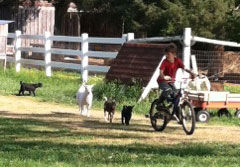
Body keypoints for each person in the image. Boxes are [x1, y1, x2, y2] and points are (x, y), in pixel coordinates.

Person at [156, 43, 196, 113]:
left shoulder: (177, 61)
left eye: (168, 54)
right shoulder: (164, 62)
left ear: (174, 54)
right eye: (166, 54)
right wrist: (164, 77)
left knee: (176, 95)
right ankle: (158, 103)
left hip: (171, 81)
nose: (167, 56)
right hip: (162, 81)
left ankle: (175, 112)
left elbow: (185, 68)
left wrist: (192, 73)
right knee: (168, 90)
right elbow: (161, 73)